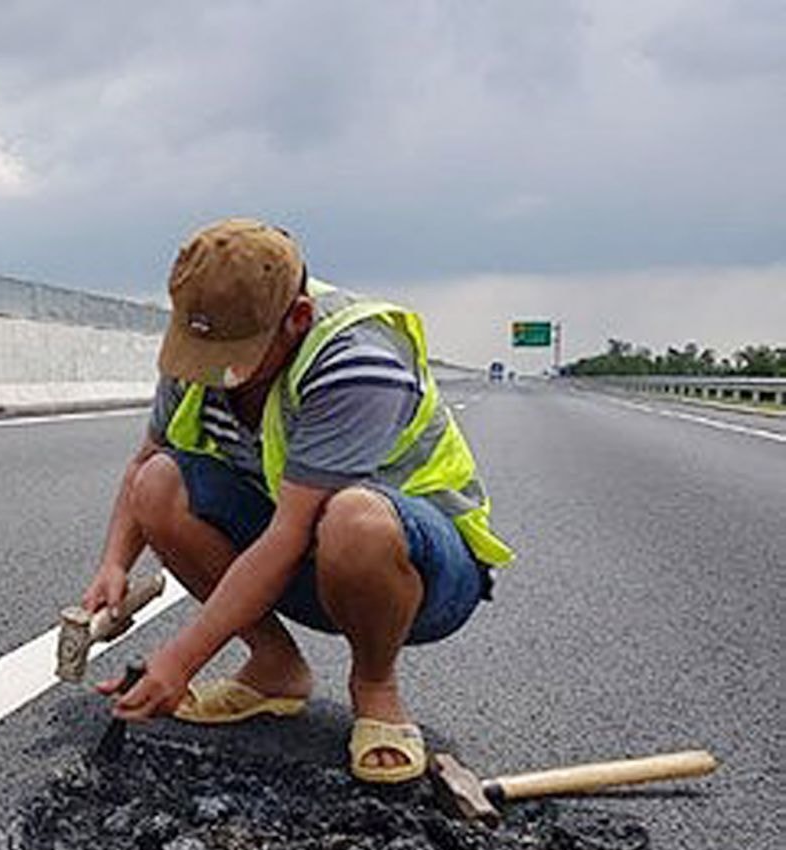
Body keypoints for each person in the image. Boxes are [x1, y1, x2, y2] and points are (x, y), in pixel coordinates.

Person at [83, 218, 512, 783]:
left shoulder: (357, 360)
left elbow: (289, 535)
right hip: (303, 555)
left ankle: (376, 689)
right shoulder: (203, 345)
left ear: (297, 321)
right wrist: (114, 565)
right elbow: (145, 460)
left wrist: (180, 662)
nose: (215, 375)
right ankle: (274, 669)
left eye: (236, 358)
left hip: (417, 573)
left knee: (354, 518)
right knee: (159, 484)